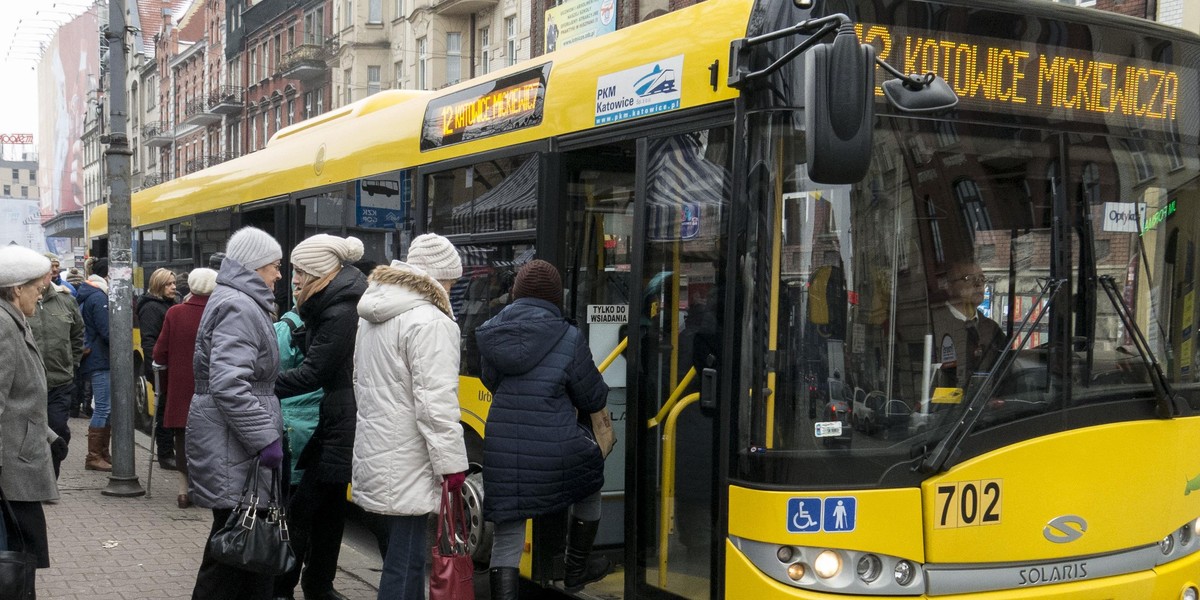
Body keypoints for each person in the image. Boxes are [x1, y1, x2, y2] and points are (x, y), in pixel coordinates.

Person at [476, 259, 612, 599]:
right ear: (555, 297)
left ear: (517, 293)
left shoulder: (491, 331)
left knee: (508, 536)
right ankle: (575, 570)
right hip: (558, 449)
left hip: (503, 450)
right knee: (590, 482)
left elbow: (489, 381)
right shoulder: (569, 335)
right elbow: (592, 394)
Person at [352, 233, 469, 599]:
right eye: (450, 280)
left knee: (404, 559)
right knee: (405, 564)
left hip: (379, 450)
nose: (451, 288)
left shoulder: (372, 312)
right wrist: (452, 465)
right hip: (409, 458)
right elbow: (436, 404)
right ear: (435, 277)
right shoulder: (431, 321)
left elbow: (360, 380)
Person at [187, 227, 286, 600]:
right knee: (233, 551)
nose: (279, 274)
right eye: (274, 266)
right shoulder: (240, 306)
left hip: (234, 443)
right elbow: (229, 383)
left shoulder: (240, 301)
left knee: (238, 547)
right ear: (256, 266)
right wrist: (265, 438)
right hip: (236, 445)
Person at [272, 234, 367, 600]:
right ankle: (317, 585)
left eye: (299, 270)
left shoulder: (339, 310)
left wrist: (263, 385)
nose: (293, 278)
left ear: (317, 273)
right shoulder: (335, 303)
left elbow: (314, 372)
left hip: (340, 420)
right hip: (338, 417)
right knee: (327, 508)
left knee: (305, 511)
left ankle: (285, 588)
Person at [0, 245, 63, 589]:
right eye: (38, 290)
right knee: (15, 563)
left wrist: (51, 436)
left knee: (21, 561)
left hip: (17, 465)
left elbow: (19, 399)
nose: (40, 297)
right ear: (16, 288)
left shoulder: (12, 320)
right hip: (9, 473)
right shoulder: (3, 326)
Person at [153, 268, 218, 510]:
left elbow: (160, 352)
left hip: (181, 388)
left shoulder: (175, 312)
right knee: (212, 439)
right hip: (212, 388)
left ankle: (183, 491)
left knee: (182, 438)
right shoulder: (219, 312)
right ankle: (207, 490)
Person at [28, 259, 85, 478]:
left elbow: (78, 334)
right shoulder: (21, 300)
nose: (48, 275)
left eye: (50, 272)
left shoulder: (66, 300)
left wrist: (73, 362)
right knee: (32, 433)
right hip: (31, 381)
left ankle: (52, 476)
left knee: (58, 429)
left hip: (60, 381)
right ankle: (37, 480)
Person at [273, 283, 322, 491]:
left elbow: (276, 372)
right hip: (320, 419)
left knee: (292, 494)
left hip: (293, 423)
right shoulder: (334, 320)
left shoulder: (286, 327)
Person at [931, 260, 1006, 392]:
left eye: (981, 279)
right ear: (948, 286)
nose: (978, 284)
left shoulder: (992, 329)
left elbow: (1006, 372)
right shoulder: (932, 324)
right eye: (968, 278)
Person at [139, 267, 179, 470]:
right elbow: (149, 341)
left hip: (171, 367)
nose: (173, 287)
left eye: (174, 283)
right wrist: (154, 370)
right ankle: (165, 454)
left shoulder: (170, 304)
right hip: (161, 369)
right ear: (158, 286)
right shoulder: (152, 308)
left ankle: (170, 451)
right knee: (163, 411)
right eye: (169, 284)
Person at [78, 258, 114, 471]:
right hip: (100, 359)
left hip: (98, 358)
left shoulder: (90, 292)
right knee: (103, 407)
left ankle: (102, 452)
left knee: (106, 408)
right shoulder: (98, 296)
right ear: (108, 275)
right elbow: (107, 330)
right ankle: (93, 456)